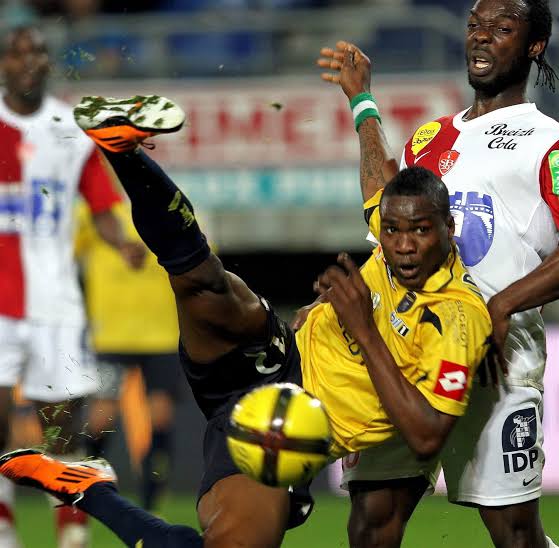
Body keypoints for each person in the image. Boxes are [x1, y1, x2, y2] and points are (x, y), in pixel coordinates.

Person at [0, 94, 490, 548]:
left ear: (448, 229)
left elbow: (428, 434)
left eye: (420, 232)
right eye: (391, 231)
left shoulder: (459, 315)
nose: (403, 245)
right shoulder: (394, 230)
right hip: (275, 358)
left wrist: (361, 327)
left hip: (282, 434)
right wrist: (361, 98)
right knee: (204, 282)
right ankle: (121, 147)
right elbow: (373, 179)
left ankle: (91, 489)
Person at [316, 0, 559, 546]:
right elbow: (386, 212)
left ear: (534, 46)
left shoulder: (548, 140)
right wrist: (362, 102)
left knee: (515, 536)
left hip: (497, 367)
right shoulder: (430, 138)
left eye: (502, 29)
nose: (482, 38)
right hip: (407, 360)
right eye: (475, 26)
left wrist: (498, 307)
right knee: (371, 523)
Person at [0, 25, 144, 548]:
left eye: (38, 52)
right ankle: (4, 530)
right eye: (19, 53)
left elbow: (101, 204)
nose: (29, 61)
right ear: (4, 64)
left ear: (47, 63)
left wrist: (121, 242)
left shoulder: (68, 128)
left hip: (56, 302)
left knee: (64, 429)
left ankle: (73, 538)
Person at [75, 198, 186, 511]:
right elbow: (63, 251)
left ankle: (151, 504)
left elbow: (199, 254)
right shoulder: (93, 214)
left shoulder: (174, 208)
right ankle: (88, 490)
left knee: (160, 417)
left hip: (161, 336)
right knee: (100, 418)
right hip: (112, 336)